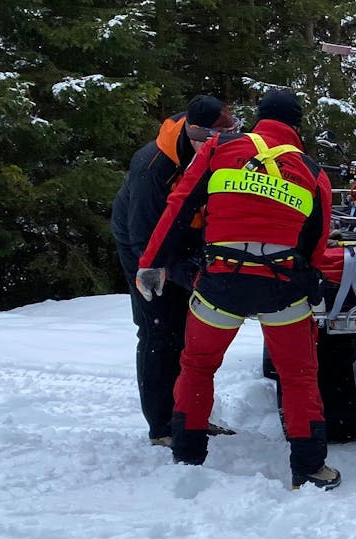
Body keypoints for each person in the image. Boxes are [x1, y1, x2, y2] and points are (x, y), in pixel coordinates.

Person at [136, 88, 341, 490]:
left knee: (197, 365)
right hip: (281, 286)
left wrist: (151, 263)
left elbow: (178, 206)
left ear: (259, 117)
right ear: (296, 126)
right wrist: (310, 281)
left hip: (220, 282)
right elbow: (316, 245)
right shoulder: (314, 173)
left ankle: (188, 454)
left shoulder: (218, 151)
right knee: (299, 377)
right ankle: (310, 469)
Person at [110, 95, 237, 446]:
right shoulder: (152, 165)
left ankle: (190, 415)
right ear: (192, 133)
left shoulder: (223, 150)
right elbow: (144, 238)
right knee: (159, 330)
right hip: (147, 245)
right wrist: (181, 273)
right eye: (208, 139)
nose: (215, 146)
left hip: (190, 236)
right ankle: (163, 425)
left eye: (223, 138)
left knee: (191, 332)